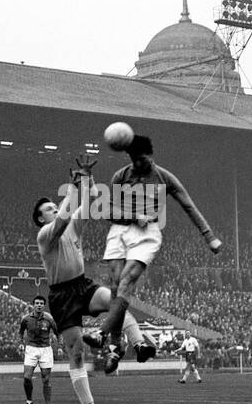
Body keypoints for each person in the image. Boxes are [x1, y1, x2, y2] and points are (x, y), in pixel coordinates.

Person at [32, 154, 156, 404]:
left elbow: (87, 206)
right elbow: (64, 218)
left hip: (81, 284)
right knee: (76, 355)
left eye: (54, 206)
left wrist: (86, 179)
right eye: (49, 208)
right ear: (41, 219)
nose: (54, 209)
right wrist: (73, 188)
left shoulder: (71, 226)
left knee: (117, 302)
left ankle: (139, 345)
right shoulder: (45, 236)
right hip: (61, 296)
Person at [83, 134, 222, 366]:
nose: (136, 164)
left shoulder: (164, 177)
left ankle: (102, 333)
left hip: (148, 232)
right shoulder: (121, 176)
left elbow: (188, 205)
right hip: (121, 229)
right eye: (133, 159)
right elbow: (106, 211)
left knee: (126, 282)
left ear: (150, 155)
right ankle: (115, 347)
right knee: (116, 288)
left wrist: (209, 236)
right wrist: (133, 215)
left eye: (141, 159)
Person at [19, 296, 59, 404]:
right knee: (26, 377)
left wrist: (60, 346)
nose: (39, 305)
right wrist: (21, 343)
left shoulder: (49, 318)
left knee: (46, 379)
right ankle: (29, 401)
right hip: (31, 349)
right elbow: (21, 332)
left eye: (41, 303)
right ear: (33, 305)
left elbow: (57, 332)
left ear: (44, 305)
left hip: (45, 349)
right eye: (37, 303)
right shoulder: (26, 319)